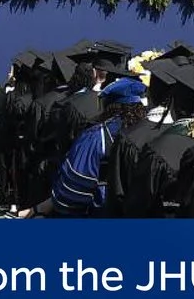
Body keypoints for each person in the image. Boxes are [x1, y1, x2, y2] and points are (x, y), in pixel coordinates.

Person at [24, 78, 148, 217]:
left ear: (109, 105)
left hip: (103, 210)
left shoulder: (97, 136)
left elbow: (72, 192)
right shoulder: (152, 132)